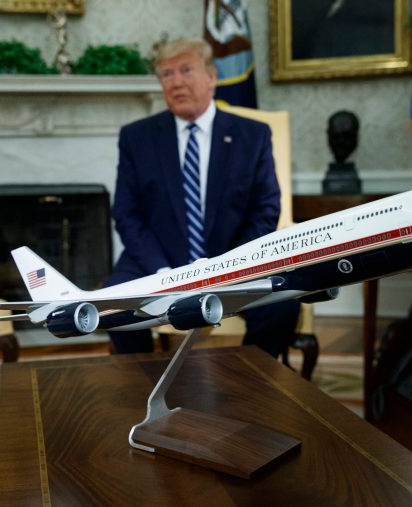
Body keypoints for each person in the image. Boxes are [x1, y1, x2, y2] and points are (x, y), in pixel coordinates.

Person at [106, 37, 300, 357]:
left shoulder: (252, 135)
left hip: (234, 258)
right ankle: (142, 382)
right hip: (157, 260)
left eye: (186, 70)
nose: (177, 82)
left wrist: (229, 266)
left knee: (281, 307)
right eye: (166, 74)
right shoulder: (137, 137)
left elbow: (266, 209)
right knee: (112, 307)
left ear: (212, 76)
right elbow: (127, 213)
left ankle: (250, 383)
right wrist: (162, 272)